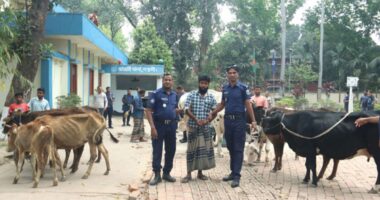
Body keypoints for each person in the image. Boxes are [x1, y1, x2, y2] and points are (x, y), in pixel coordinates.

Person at [208, 65, 256, 188]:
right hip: (228, 121)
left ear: (237, 74)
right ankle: (232, 172)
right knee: (229, 146)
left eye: (234, 72)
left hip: (239, 121)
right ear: (227, 75)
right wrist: (213, 112)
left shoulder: (243, 88)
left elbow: (248, 105)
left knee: (238, 148)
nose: (232, 74)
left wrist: (254, 121)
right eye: (230, 73)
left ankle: (236, 176)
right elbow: (223, 103)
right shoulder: (225, 88)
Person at [146, 73, 181, 186]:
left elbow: (174, 109)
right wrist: (152, 127)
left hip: (171, 126)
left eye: (170, 80)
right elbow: (148, 111)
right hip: (158, 126)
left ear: (172, 82)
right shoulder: (155, 94)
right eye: (166, 80)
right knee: (157, 151)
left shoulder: (175, 95)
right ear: (162, 81)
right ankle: (157, 175)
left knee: (171, 150)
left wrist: (177, 112)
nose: (167, 81)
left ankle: (166, 173)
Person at [181, 76, 217, 183]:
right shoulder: (192, 94)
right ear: (199, 83)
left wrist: (207, 120)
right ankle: (188, 174)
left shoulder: (211, 97)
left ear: (208, 84)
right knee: (191, 150)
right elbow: (186, 109)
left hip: (205, 128)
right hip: (193, 126)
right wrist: (196, 119)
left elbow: (215, 112)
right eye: (202, 83)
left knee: (202, 151)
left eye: (205, 83)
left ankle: (200, 173)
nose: (203, 85)